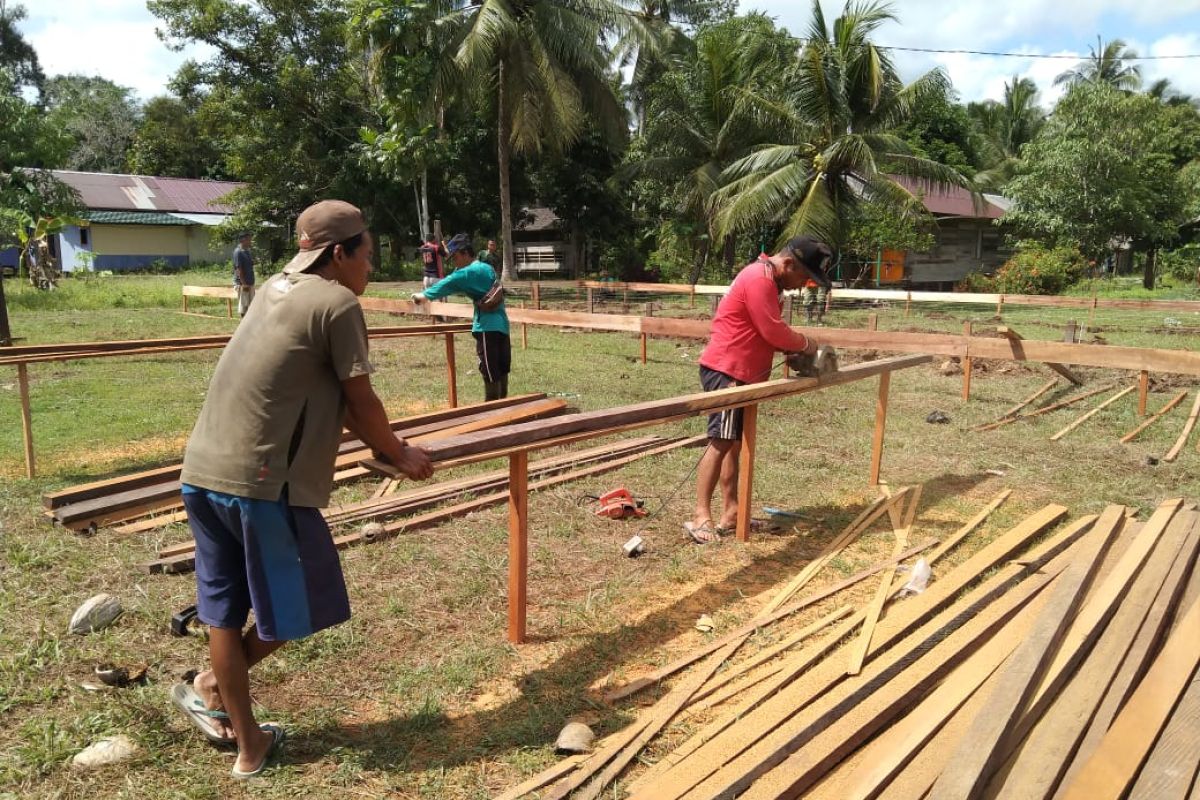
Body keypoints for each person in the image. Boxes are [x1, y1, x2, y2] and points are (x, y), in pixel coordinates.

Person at [173, 200, 434, 778]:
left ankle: (238, 726)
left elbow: (298, 385)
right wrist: (398, 453)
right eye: (367, 256)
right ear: (339, 254)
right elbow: (360, 399)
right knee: (310, 602)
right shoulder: (338, 303)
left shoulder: (272, 289)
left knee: (222, 614)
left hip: (201, 473)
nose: (370, 268)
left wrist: (377, 443)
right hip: (261, 484)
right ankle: (227, 700)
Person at [686, 236, 831, 544]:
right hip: (727, 371)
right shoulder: (759, 278)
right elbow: (772, 329)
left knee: (734, 444)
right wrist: (806, 344)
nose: (802, 284)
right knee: (721, 440)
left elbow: (761, 332)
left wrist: (788, 352)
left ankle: (732, 513)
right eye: (803, 277)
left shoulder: (769, 281)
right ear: (789, 263)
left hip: (744, 374)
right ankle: (700, 515)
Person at [412, 233, 511, 400]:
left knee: (489, 371)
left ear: (465, 253)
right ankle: (504, 407)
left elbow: (447, 283)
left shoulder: (466, 273)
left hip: (486, 327)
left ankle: (492, 409)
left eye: (455, 257)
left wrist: (423, 296)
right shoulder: (487, 268)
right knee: (502, 369)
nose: (454, 262)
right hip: (502, 325)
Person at [232, 232, 255, 316]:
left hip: (250, 282)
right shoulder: (238, 252)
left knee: (251, 306)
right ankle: (243, 325)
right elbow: (239, 269)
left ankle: (248, 325)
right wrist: (244, 284)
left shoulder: (247, 251)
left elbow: (248, 264)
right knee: (244, 307)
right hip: (243, 284)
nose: (250, 241)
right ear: (243, 240)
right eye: (249, 239)